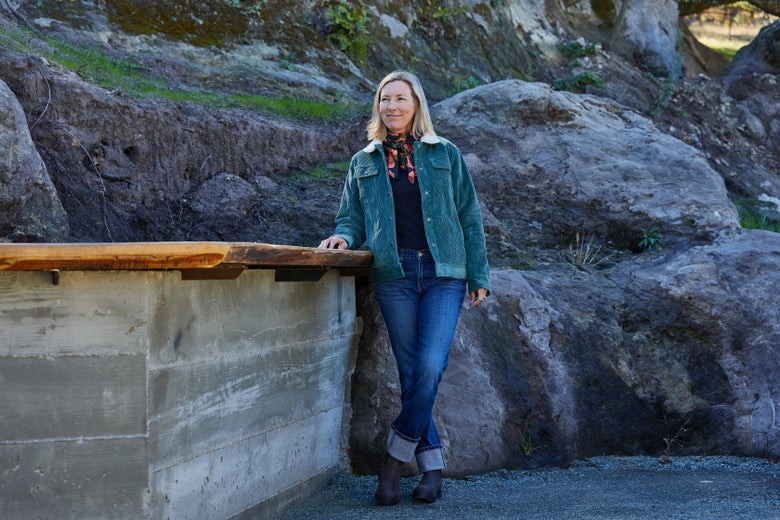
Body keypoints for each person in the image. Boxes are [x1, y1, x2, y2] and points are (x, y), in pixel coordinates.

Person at [318, 70, 490, 506]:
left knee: (430, 366)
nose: (391, 106)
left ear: (417, 105)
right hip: (394, 276)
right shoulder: (364, 161)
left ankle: (394, 461)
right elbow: (351, 217)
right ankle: (431, 469)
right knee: (412, 372)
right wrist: (343, 237)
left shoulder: (445, 154)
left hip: (443, 272)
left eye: (400, 99)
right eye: (385, 99)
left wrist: (479, 275)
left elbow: (469, 215)